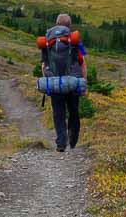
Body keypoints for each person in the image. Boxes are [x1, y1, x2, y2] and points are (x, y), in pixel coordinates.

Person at [41, 13, 87, 152]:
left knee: (58, 113)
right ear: (70, 25)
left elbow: (43, 65)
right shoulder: (74, 40)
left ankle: (61, 143)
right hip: (73, 81)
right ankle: (73, 139)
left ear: (56, 24)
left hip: (55, 81)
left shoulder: (48, 41)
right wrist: (85, 82)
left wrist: (48, 82)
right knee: (73, 111)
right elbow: (82, 62)